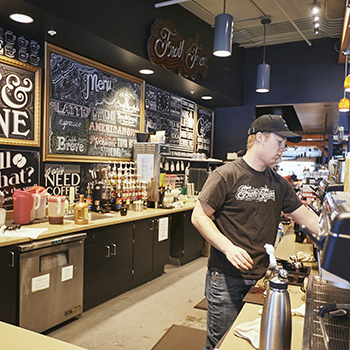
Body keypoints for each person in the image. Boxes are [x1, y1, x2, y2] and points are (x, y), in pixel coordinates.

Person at [191, 114, 319, 350]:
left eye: (286, 145)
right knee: (221, 343)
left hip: (261, 278)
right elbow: (199, 216)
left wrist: (338, 235)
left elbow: (308, 218)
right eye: (280, 142)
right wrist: (228, 247)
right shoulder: (226, 175)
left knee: (249, 342)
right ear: (260, 138)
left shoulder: (279, 183)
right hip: (226, 278)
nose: (284, 149)